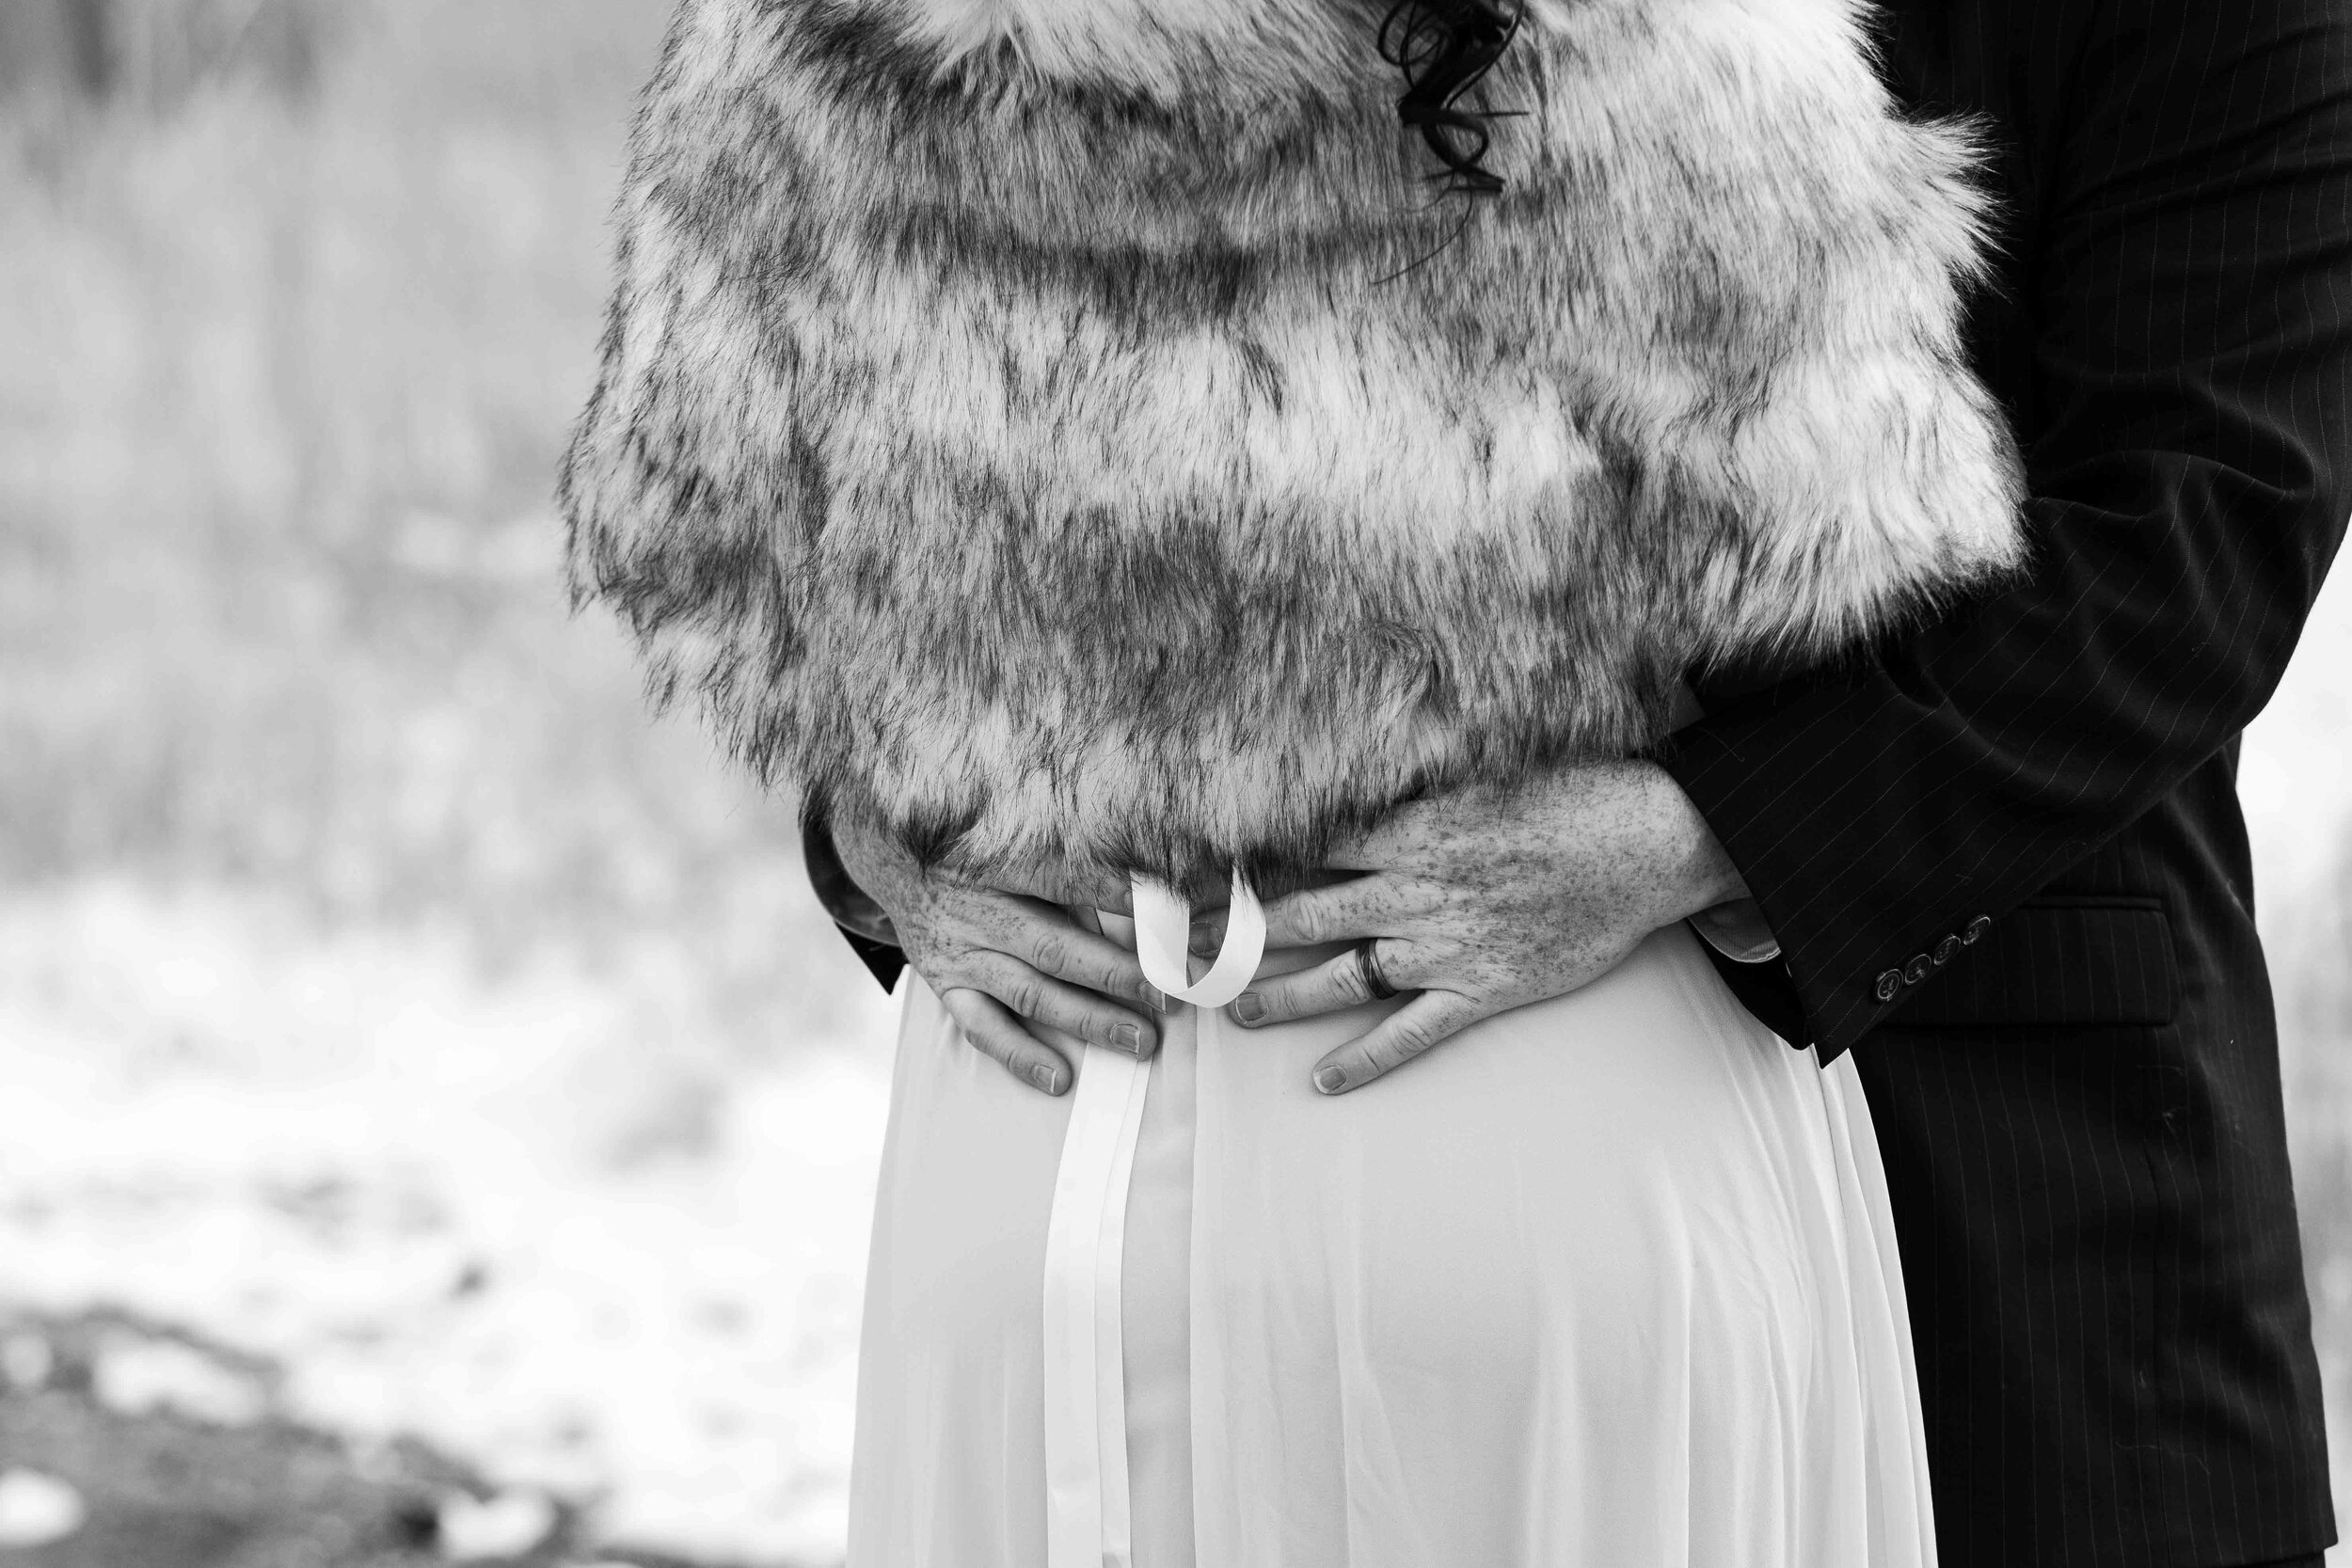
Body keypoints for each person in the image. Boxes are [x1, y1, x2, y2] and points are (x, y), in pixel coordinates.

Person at [810, 1, 2352, 1564]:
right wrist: (894, 794)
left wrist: (1696, 837)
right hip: (1301, 1218)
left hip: (2019, 1186)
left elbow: (2204, 532)